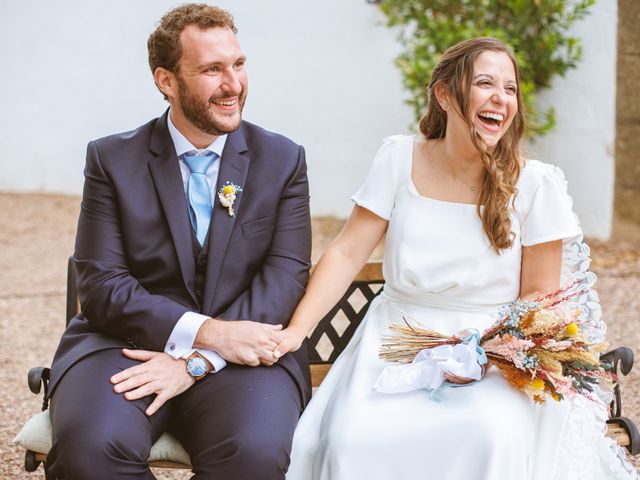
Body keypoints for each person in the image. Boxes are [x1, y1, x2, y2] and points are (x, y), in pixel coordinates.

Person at [274, 37, 638, 479]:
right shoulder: (397, 159)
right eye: (485, 83)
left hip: (495, 352)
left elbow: (540, 297)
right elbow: (347, 251)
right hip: (394, 342)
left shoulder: (536, 185)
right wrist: (296, 331)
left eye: (510, 88)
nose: (500, 99)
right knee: (351, 439)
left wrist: (487, 351)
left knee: (489, 435)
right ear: (445, 95)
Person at [46, 4, 312, 479]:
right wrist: (207, 333)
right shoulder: (111, 160)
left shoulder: (283, 160)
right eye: (212, 70)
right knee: (91, 452)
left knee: (254, 454)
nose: (233, 84)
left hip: (244, 356)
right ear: (166, 81)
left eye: (238, 64)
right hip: (122, 346)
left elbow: (285, 275)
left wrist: (196, 359)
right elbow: (103, 285)